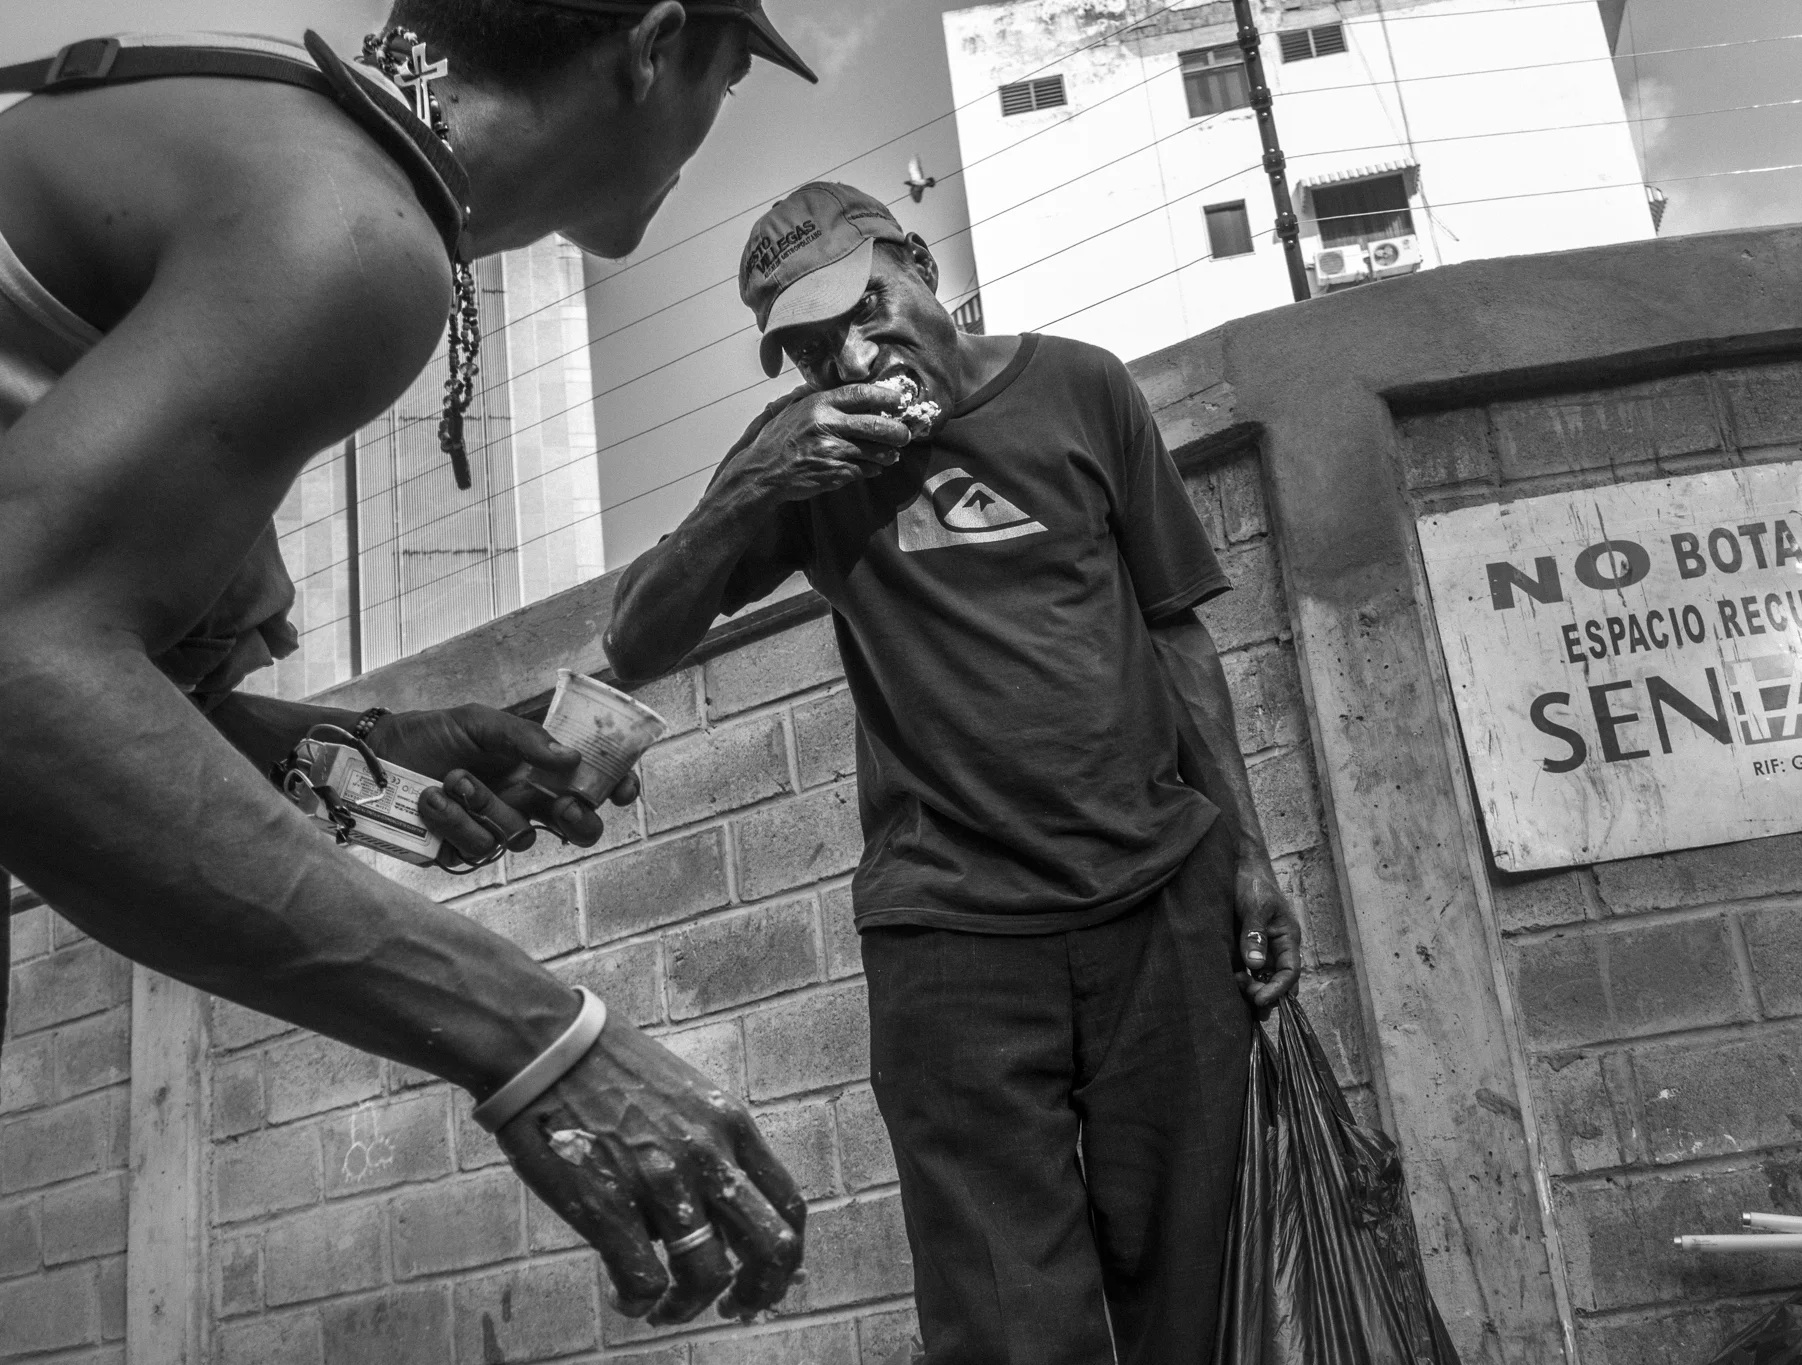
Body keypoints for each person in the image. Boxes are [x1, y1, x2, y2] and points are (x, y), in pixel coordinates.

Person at [0, 0, 817, 1326]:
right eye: (727, 79)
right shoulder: (348, 233)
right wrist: (540, 1034)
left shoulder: (268, 133)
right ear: (655, 48)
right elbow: (19, 677)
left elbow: (53, 655)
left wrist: (357, 744)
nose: (712, 130)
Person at [606, 182, 1307, 1363]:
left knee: (1197, 1304)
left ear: (921, 265)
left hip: (1159, 910)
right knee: (1004, 1326)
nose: (850, 350)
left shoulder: (1080, 388)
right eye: (810, 344)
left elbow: (1176, 635)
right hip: (953, 945)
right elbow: (637, 636)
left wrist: (1247, 854)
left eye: (864, 305)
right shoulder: (798, 460)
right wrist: (754, 486)